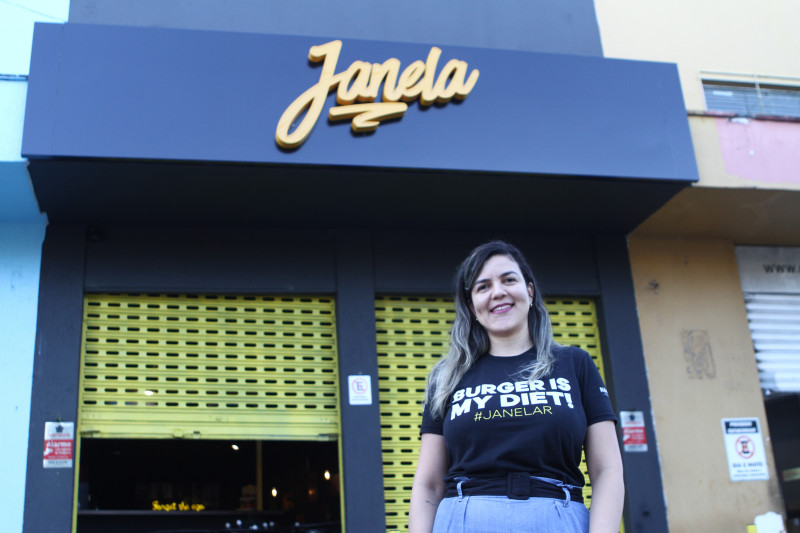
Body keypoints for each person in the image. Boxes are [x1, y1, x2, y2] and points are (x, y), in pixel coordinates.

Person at [409, 241, 624, 533]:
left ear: (530, 291)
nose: (498, 292)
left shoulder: (576, 364)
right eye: (483, 286)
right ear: (472, 306)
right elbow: (429, 483)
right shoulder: (446, 376)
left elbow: (607, 470)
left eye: (509, 280)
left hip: (557, 518)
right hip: (464, 519)